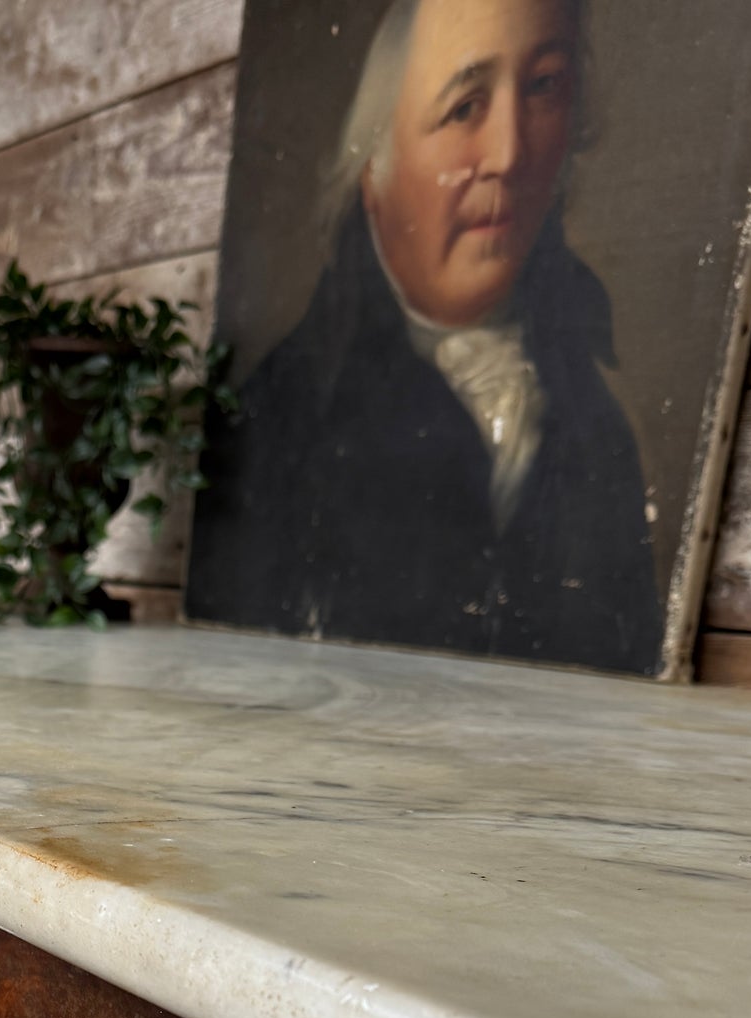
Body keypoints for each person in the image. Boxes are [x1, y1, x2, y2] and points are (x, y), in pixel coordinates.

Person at [187, 0, 663, 672]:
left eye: (542, 87)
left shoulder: (597, 419)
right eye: (464, 107)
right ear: (373, 170)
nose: (510, 153)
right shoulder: (279, 417)